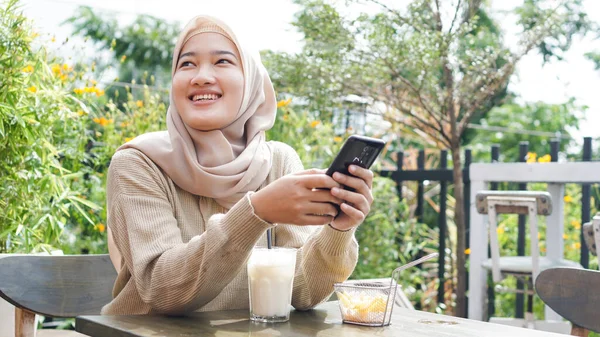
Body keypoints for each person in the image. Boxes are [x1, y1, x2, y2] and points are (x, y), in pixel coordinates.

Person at [102, 15, 374, 315]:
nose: (201, 76)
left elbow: (303, 290)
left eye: (222, 62)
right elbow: (162, 289)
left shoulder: (278, 162)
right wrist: (257, 212)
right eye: (187, 64)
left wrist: (338, 229)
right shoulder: (138, 163)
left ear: (252, 82)